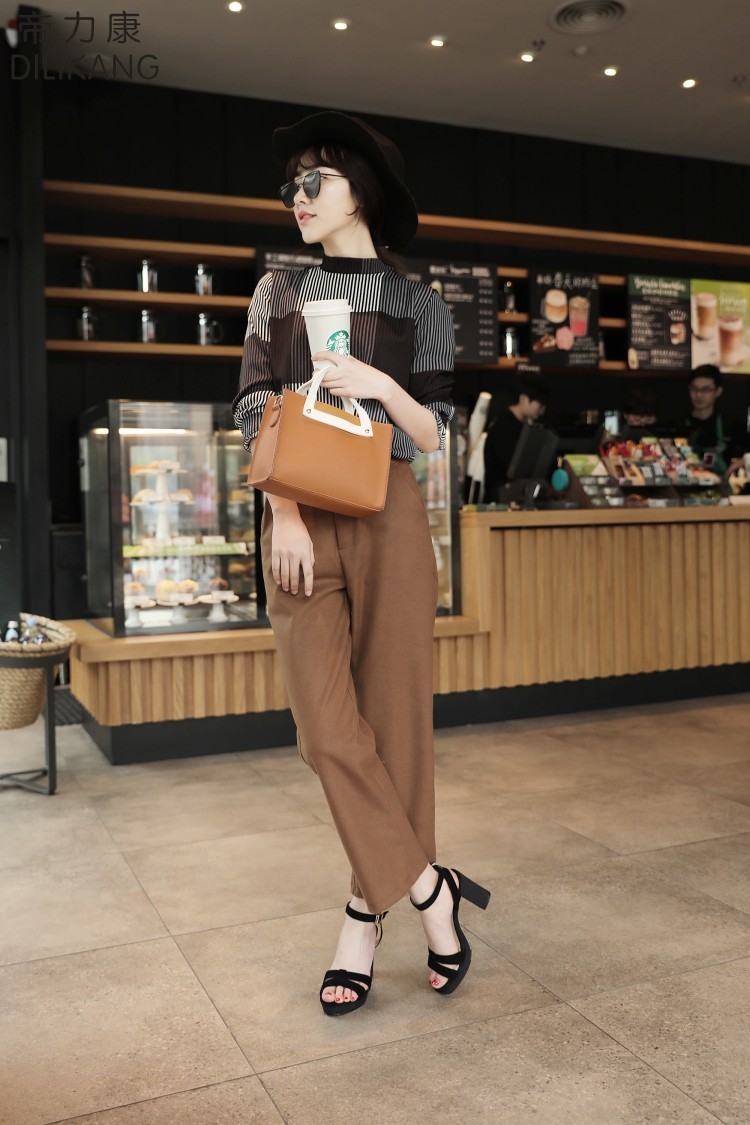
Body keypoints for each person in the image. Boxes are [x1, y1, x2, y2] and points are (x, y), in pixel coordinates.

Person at [232, 112, 490, 1017]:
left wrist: (381, 386)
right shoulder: (278, 291)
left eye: (315, 180)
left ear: (362, 191)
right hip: (301, 519)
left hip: (390, 514)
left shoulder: (421, 306)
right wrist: (285, 514)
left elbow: (434, 434)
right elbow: (254, 405)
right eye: (291, 185)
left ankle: (360, 919)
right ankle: (429, 889)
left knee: (395, 727)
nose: (297, 197)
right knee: (324, 730)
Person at [483, 372, 551, 501]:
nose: (542, 411)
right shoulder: (503, 427)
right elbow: (512, 468)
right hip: (500, 501)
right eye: (540, 405)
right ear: (523, 399)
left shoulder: (519, 426)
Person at [682, 365, 742, 475]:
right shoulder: (678, 423)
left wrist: (741, 462)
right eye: (694, 389)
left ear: (718, 391)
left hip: (723, 483)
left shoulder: (731, 424)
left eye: (706, 389)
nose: (699, 395)